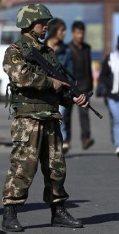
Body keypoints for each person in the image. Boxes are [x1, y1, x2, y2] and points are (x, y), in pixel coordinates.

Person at [1, 4, 88, 232]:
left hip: (50, 116)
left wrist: (73, 97)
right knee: (22, 167)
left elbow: (59, 89)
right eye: (42, 22)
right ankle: (10, 213)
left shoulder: (48, 53)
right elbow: (21, 77)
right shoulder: (15, 50)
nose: (46, 26)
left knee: (56, 168)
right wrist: (51, 82)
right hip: (28, 119)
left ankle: (58, 210)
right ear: (29, 24)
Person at [46, 17, 74, 154]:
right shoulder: (42, 48)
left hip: (61, 91)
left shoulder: (66, 50)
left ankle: (60, 143)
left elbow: (70, 70)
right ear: (54, 31)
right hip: (44, 89)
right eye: (62, 30)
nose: (64, 33)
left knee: (60, 117)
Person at [64, 20, 94, 150]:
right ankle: (66, 140)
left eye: (82, 33)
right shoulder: (67, 48)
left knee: (84, 113)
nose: (80, 36)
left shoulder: (87, 48)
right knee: (67, 114)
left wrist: (90, 84)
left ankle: (85, 139)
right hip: (70, 86)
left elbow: (88, 67)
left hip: (84, 86)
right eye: (78, 33)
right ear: (72, 33)